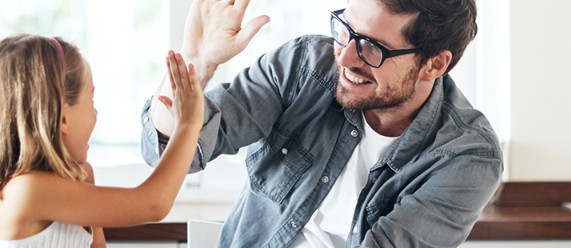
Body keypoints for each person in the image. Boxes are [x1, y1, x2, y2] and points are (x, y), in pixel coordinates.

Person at [141, 0, 501, 247]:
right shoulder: (304, 66)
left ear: (434, 65)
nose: (345, 56)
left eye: (373, 48)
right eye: (345, 29)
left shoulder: (466, 156)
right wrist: (196, 63)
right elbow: (170, 154)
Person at [0, 34, 205, 247]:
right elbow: (153, 204)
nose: (96, 114)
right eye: (91, 100)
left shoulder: (80, 176)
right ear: (63, 118)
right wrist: (188, 124)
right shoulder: (26, 190)